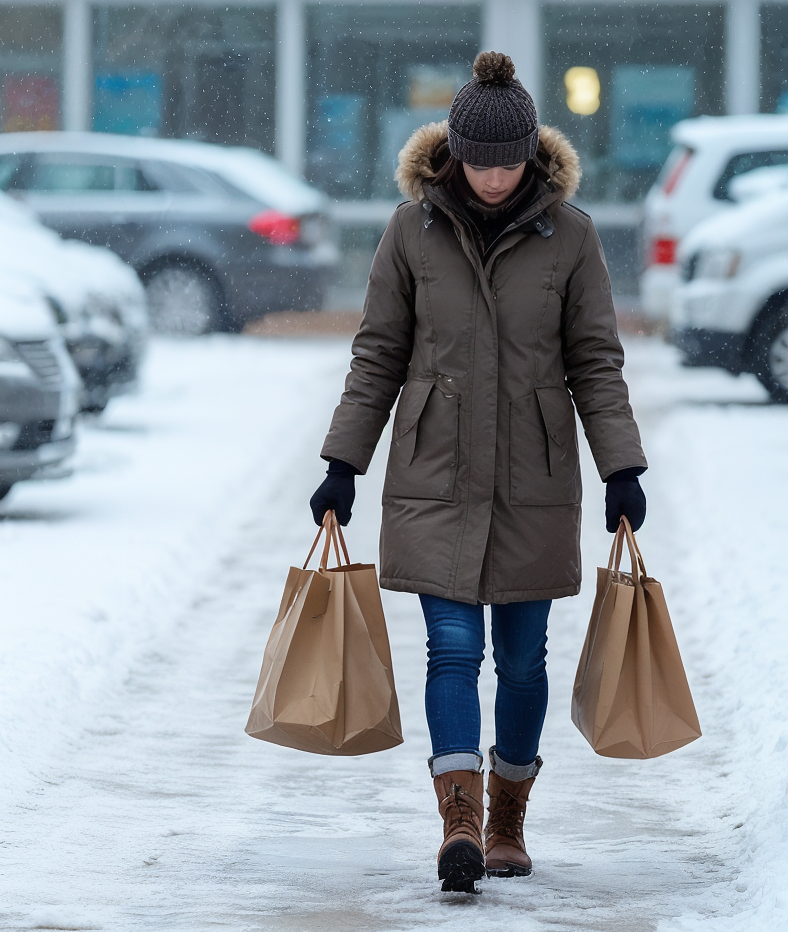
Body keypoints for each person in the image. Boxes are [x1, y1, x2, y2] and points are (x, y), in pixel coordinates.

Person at [307, 50, 646, 894]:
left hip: (533, 472)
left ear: (533, 154)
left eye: (509, 162)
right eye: (480, 161)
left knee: (524, 660)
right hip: (435, 470)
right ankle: (458, 819)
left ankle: (508, 817)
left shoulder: (570, 236)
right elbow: (378, 353)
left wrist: (622, 468)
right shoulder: (409, 230)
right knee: (452, 649)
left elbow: (595, 362)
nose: (495, 179)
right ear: (452, 152)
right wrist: (343, 462)